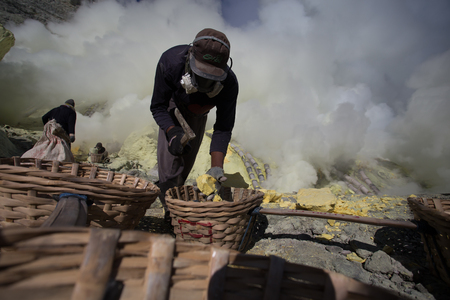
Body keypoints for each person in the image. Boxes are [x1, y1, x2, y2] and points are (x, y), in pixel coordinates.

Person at [150, 28, 238, 220]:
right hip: (172, 111)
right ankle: (171, 212)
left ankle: (175, 201)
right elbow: (158, 106)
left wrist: (216, 167)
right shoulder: (171, 62)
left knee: (186, 161)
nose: (204, 83)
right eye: (201, 75)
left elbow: (223, 127)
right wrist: (172, 131)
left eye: (211, 79)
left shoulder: (229, 84)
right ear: (190, 57)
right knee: (171, 163)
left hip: (198, 115)